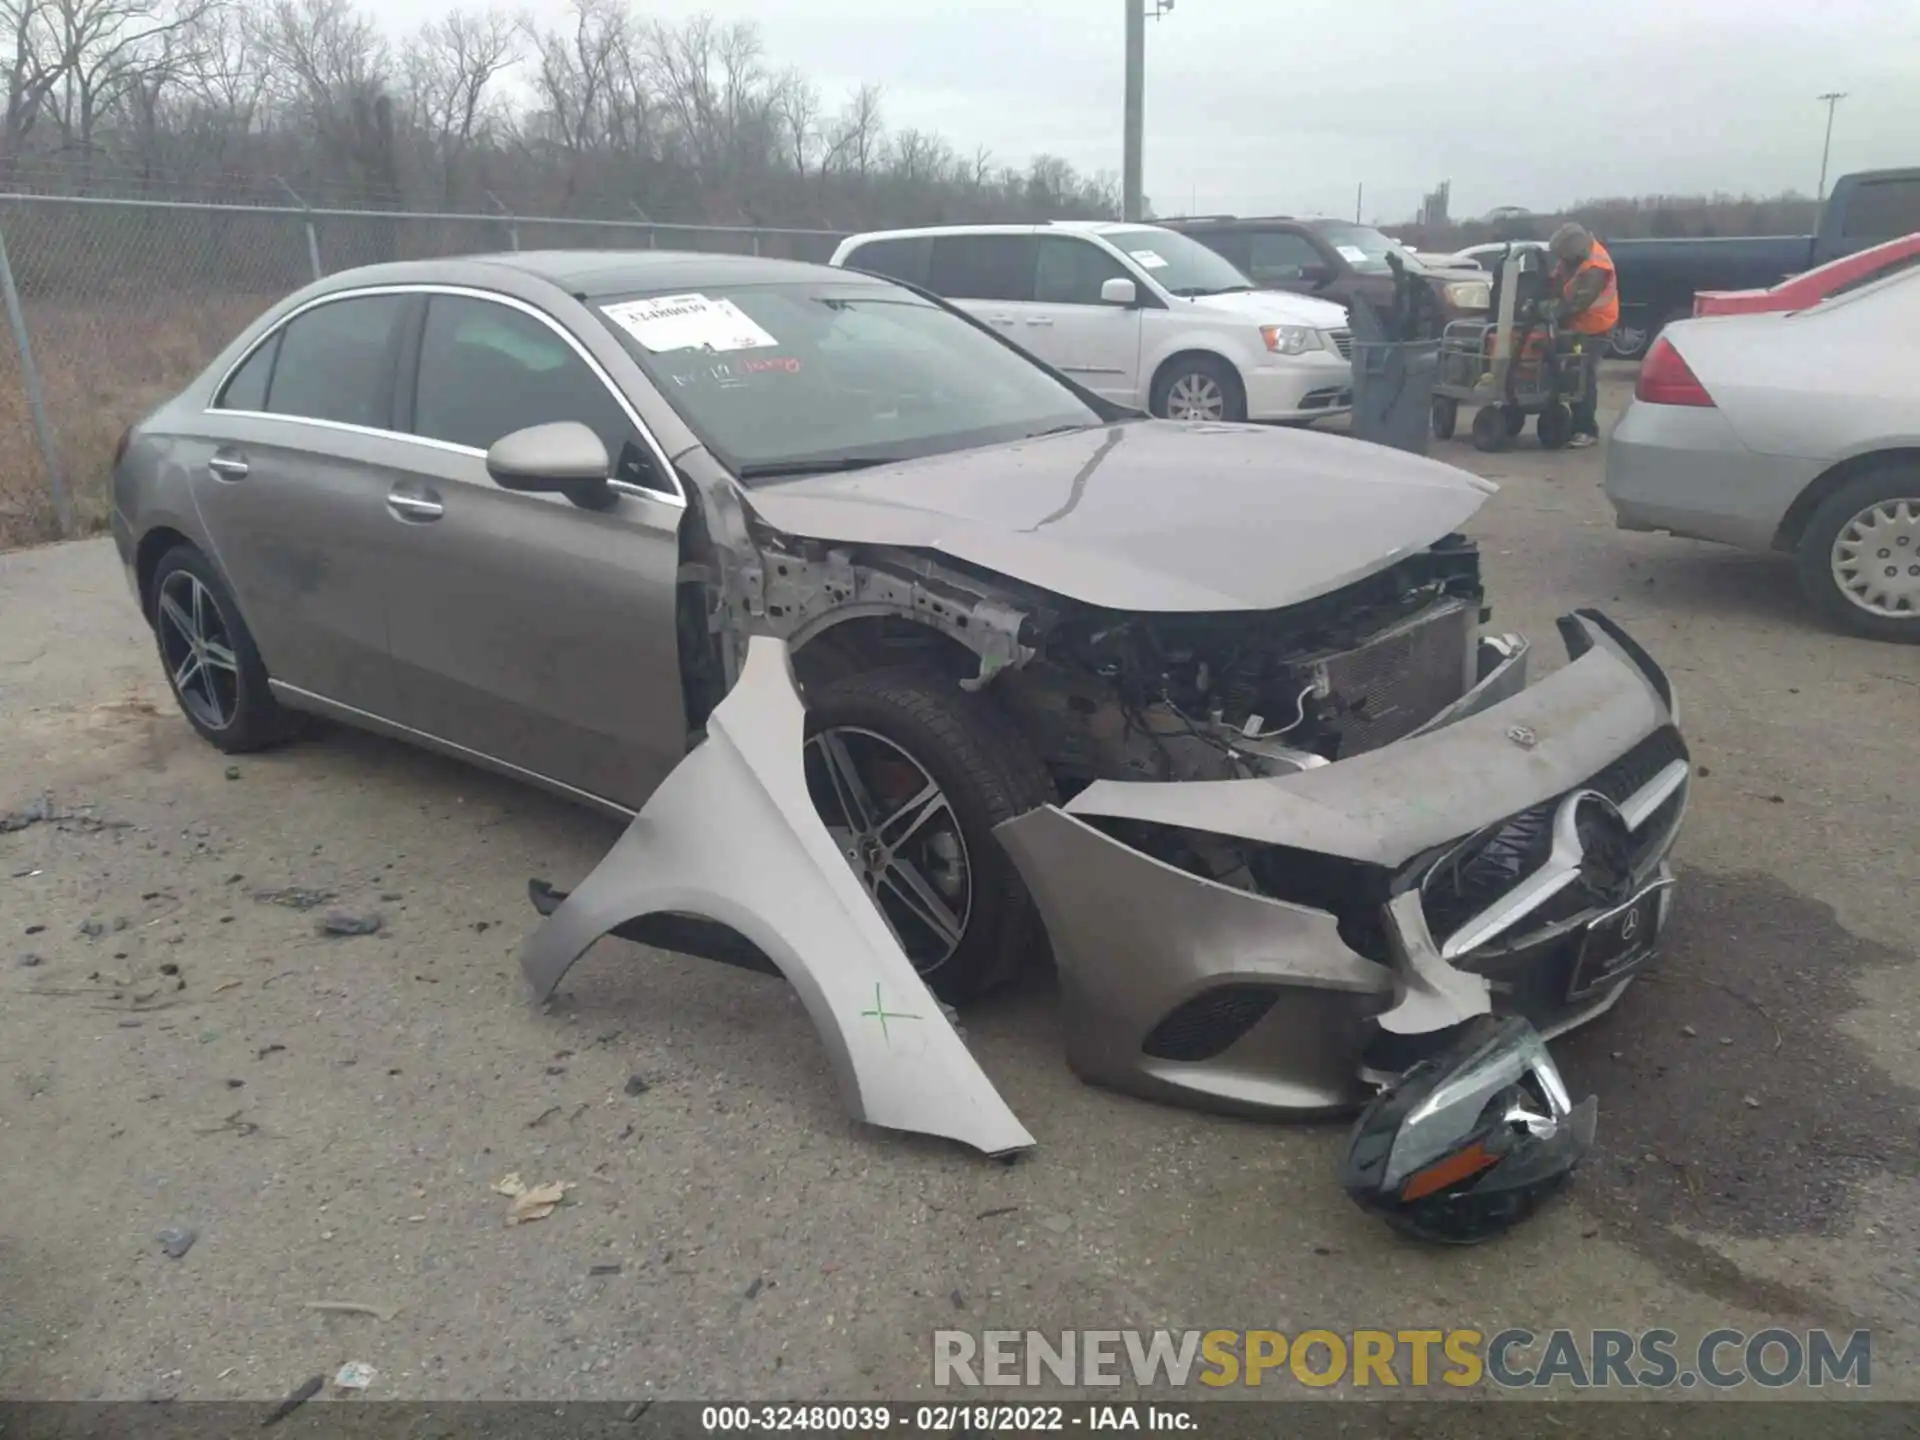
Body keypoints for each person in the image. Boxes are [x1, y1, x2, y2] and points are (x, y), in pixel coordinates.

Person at [1542, 222, 1619, 447]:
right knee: (1564, 372)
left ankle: (1586, 430)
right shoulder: (1574, 257)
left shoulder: (1596, 266)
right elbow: (1556, 281)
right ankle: (1562, 422)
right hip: (1578, 327)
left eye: (1563, 256)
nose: (1561, 261)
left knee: (1582, 376)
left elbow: (1578, 302)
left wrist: (1551, 311)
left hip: (1596, 328)